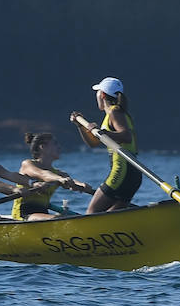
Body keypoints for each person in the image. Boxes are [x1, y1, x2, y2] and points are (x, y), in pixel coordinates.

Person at [71, 76, 140, 213]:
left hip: (122, 171)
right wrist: (80, 126)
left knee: (92, 213)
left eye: (97, 92)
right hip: (133, 174)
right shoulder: (114, 114)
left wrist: (102, 133)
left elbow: (126, 136)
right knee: (111, 216)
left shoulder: (115, 111)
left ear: (102, 94)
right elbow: (94, 143)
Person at [13, 132, 95, 220]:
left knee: (71, 218)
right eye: (55, 144)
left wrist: (82, 185)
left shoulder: (58, 173)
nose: (59, 147)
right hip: (23, 214)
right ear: (42, 147)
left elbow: (72, 180)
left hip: (43, 212)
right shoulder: (28, 164)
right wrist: (60, 179)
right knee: (63, 220)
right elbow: (43, 174)